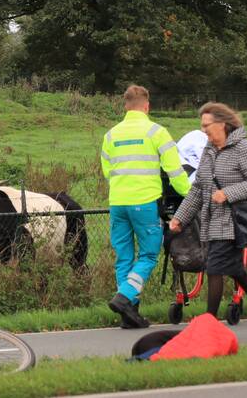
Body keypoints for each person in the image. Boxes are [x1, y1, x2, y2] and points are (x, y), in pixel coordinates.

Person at [101, 85, 190, 329]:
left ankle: (129, 313)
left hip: (118, 202)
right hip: (145, 202)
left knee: (124, 257)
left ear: (126, 106)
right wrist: (193, 195)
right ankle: (125, 296)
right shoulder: (157, 132)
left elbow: (108, 171)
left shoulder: (111, 135)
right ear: (147, 106)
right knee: (149, 254)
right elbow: (175, 172)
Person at [169, 103, 247, 320]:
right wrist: (180, 217)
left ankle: (208, 323)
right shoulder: (209, 150)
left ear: (222, 124)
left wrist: (228, 193)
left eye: (207, 125)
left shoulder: (244, 148)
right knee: (236, 271)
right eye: (201, 125)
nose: (203, 129)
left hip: (233, 222)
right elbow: (198, 188)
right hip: (212, 222)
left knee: (214, 268)